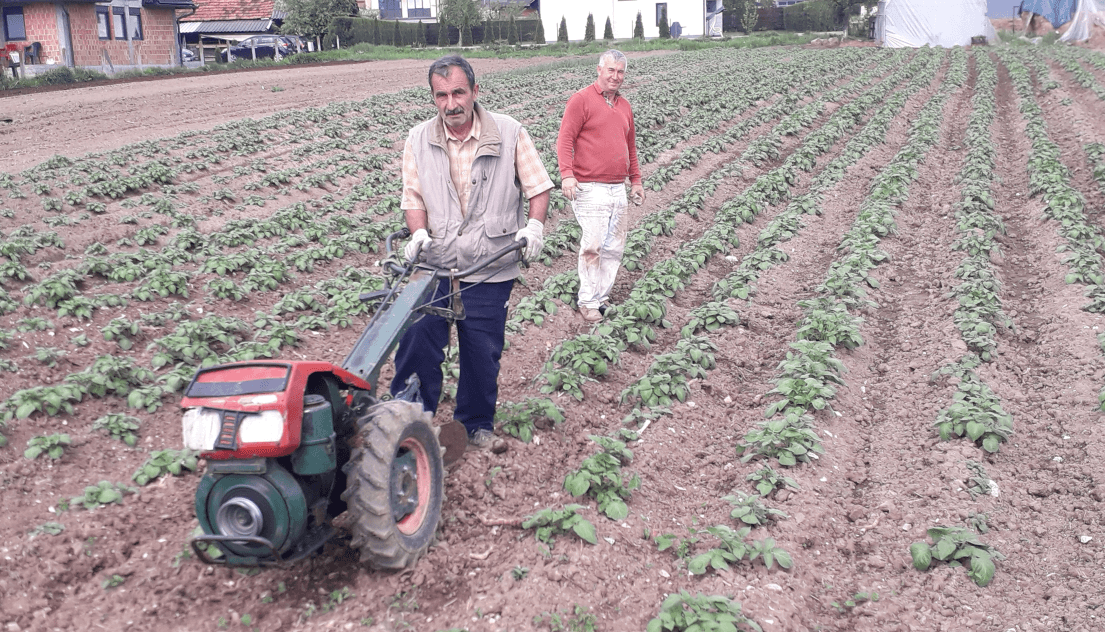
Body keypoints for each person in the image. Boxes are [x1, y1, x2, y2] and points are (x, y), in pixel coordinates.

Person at [392, 55, 553, 451]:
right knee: (417, 338)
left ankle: (474, 423)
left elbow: (537, 186)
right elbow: (413, 197)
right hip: (437, 263)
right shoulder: (418, 139)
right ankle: (409, 420)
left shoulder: (510, 132)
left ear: (475, 91)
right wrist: (418, 233)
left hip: (489, 262)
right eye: (441, 95)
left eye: (458, 92)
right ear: (433, 97)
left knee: (482, 349)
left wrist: (534, 226)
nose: (451, 104)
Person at [556, 49, 644, 323]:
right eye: (611, 70)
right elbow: (565, 140)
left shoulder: (624, 106)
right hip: (589, 186)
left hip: (617, 187)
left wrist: (636, 180)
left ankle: (601, 296)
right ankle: (587, 301)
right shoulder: (581, 100)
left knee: (614, 247)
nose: (615, 77)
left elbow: (630, 146)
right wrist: (567, 174)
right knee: (592, 246)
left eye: (620, 72)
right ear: (599, 70)